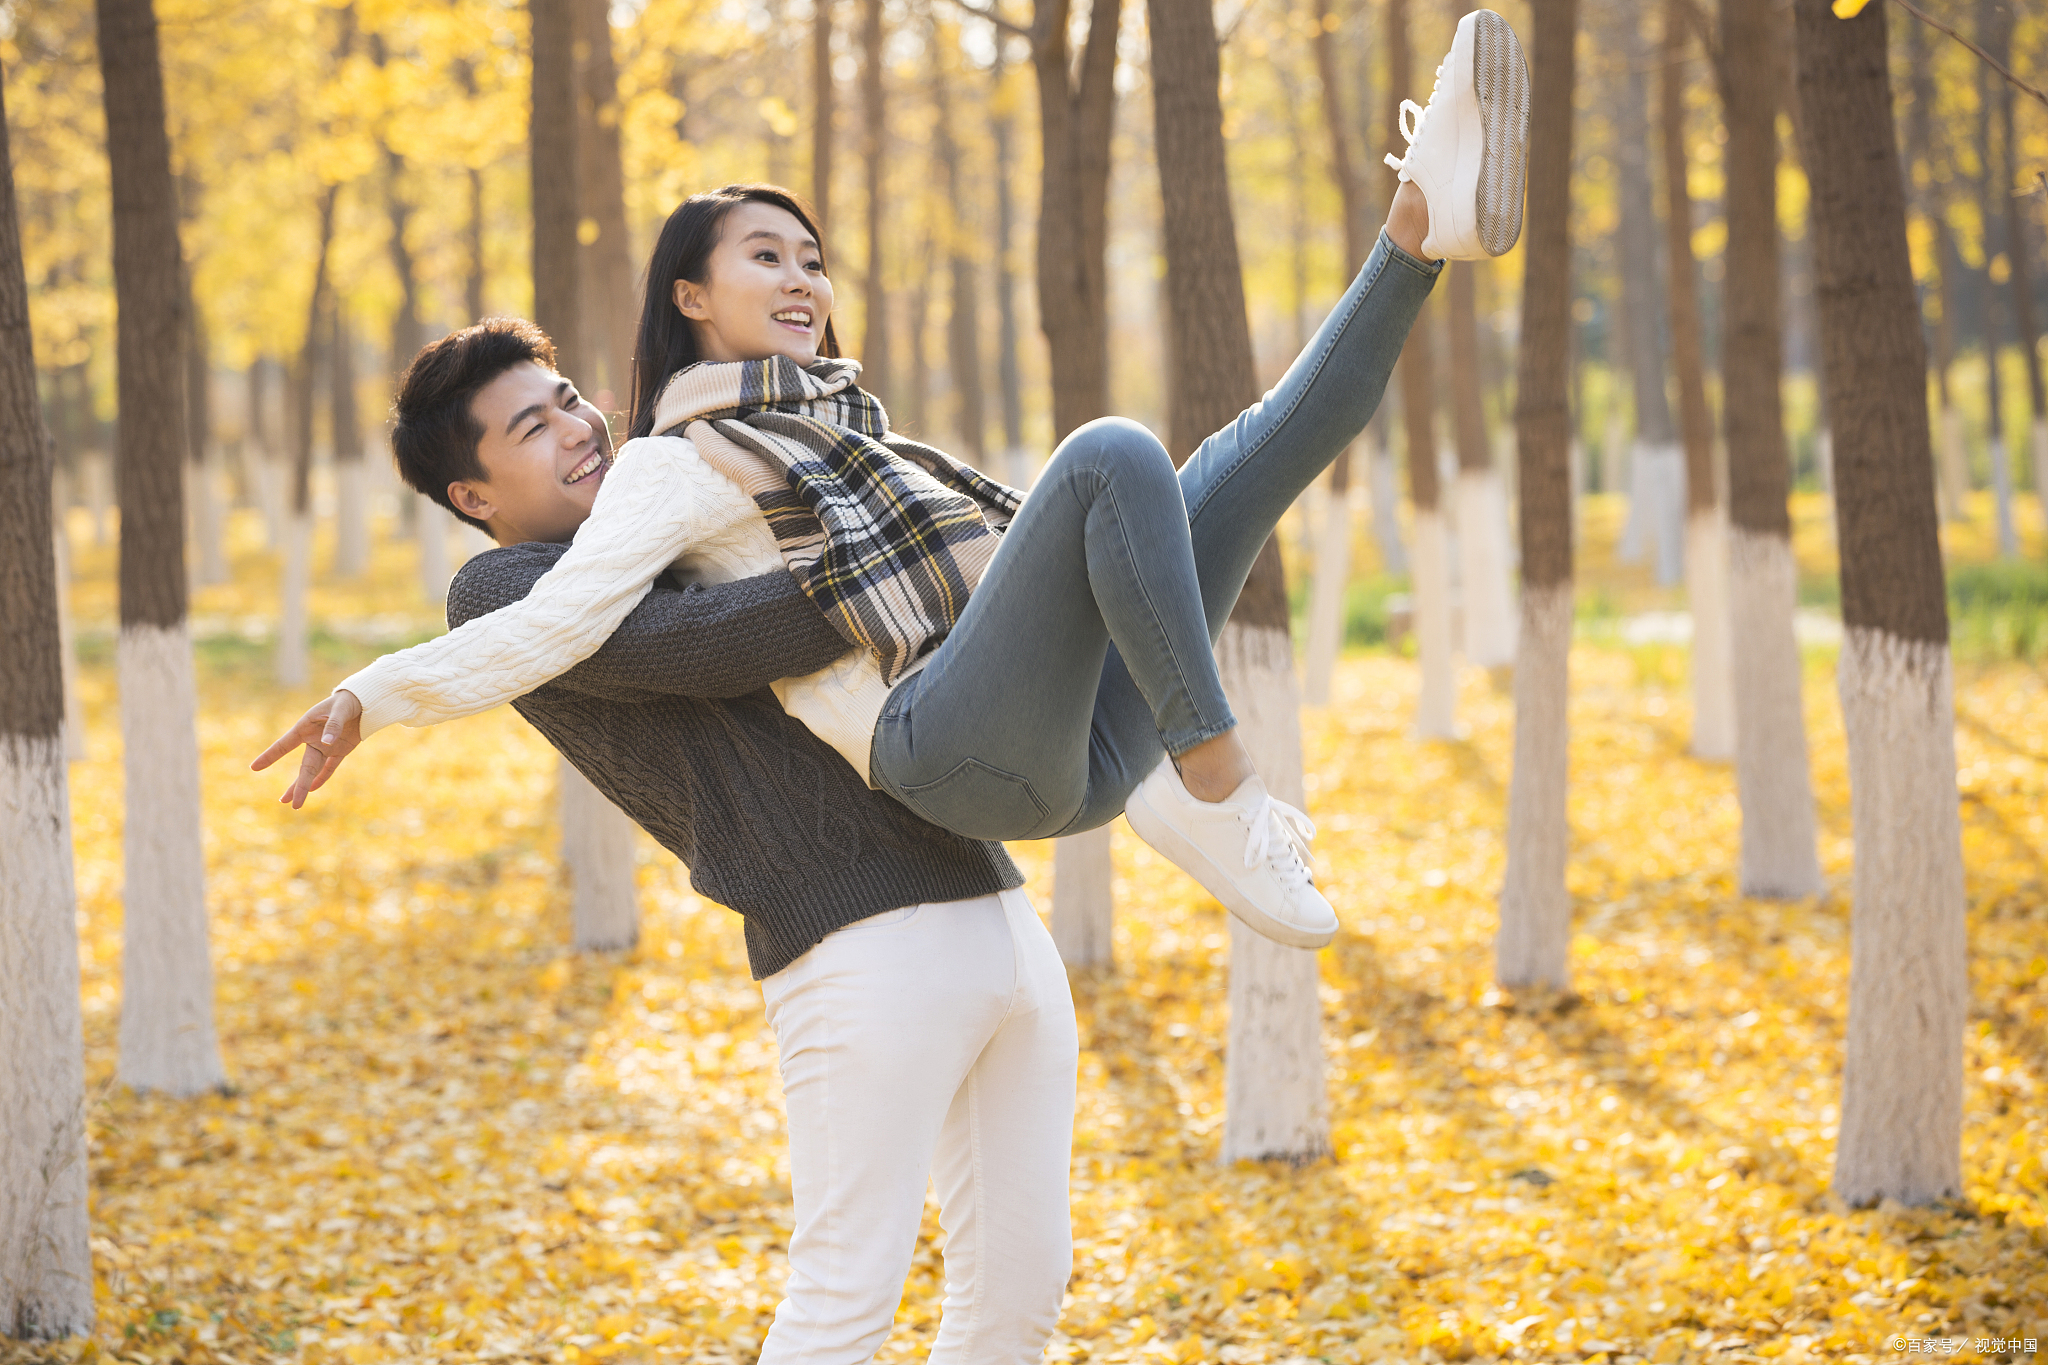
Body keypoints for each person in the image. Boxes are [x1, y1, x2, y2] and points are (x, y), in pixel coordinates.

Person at [262, 9, 1528, 961]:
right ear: (691, 298)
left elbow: (985, 557)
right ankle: (1215, 793)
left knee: (1237, 467)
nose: (804, 278)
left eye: (812, 257)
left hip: (1060, 744)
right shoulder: (670, 462)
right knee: (1108, 456)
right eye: (766, 256)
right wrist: (372, 696)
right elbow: (551, 623)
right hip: (943, 746)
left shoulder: (846, 434)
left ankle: (1416, 230)